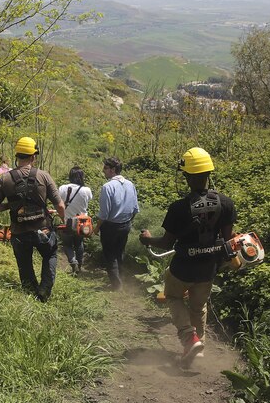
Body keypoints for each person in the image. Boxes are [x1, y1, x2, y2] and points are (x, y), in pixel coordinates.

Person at [139, 147, 237, 368]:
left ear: (186, 177)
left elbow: (165, 243)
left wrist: (147, 239)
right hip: (208, 269)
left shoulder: (178, 208)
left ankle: (188, 338)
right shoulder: (227, 204)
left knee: (173, 297)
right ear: (208, 174)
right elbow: (228, 239)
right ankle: (198, 345)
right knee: (199, 306)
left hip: (183, 267)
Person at [0, 137, 65, 302]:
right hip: (43, 229)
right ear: (33, 156)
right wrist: (63, 219)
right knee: (50, 254)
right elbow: (60, 206)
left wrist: (12, 205)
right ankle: (44, 290)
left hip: (19, 232)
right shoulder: (44, 176)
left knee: (24, 263)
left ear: (17, 156)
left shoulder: (4, 179)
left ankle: (31, 294)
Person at [94, 157, 139, 290]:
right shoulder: (130, 184)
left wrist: (96, 228)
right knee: (120, 252)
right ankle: (120, 279)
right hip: (126, 224)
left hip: (110, 226)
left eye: (106, 168)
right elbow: (135, 208)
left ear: (113, 170)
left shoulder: (107, 187)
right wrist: (129, 221)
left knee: (110, 254)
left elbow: (104, 213)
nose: (103, 171)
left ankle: (116, 284)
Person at [58, 166, 93, 273]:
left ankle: (72, 261)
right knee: (79, 243)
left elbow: (59, 203)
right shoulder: (86, 190)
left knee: (67, 244)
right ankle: (80, 265)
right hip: (82, 222)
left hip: (67, 221)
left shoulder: (62, 188)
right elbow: (89, 200)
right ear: (82, 177)